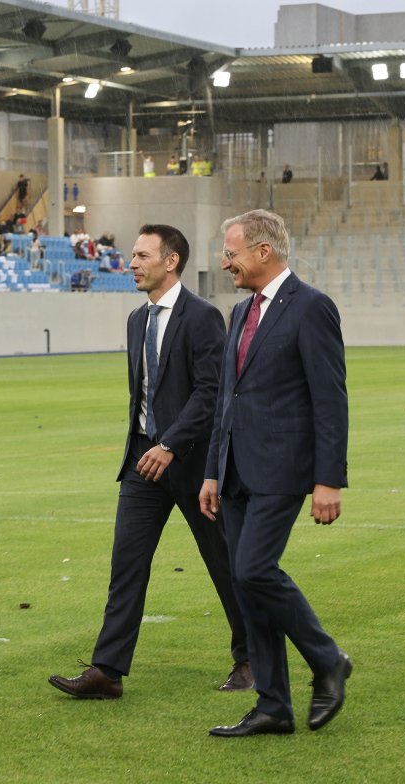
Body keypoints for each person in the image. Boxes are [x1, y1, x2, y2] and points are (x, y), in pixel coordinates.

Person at [49, 224, 251, 700]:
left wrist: (173, 443)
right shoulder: (137, 320)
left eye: (141, 255)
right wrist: (149, 446)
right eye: (132, 255)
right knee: (127, 564)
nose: (132, 263)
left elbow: (211, 392)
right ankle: (107, 670)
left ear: (171, 260)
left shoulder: (202, 316)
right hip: (143, 461)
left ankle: (251, 658)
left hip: (194, 464)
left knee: (224, 562)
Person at [200, 209, 350, 738]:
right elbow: (227, 401)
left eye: (232, 253)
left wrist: (328, 479)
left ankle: (328, 658)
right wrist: (213, 471)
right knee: (248, 588)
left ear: (264, 251)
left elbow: (329, 400)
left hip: (284, 469)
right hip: (235, 472)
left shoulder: (311, 308)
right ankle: (273, 706)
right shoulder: (240, 313)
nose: (224, 262)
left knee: (252, 571)